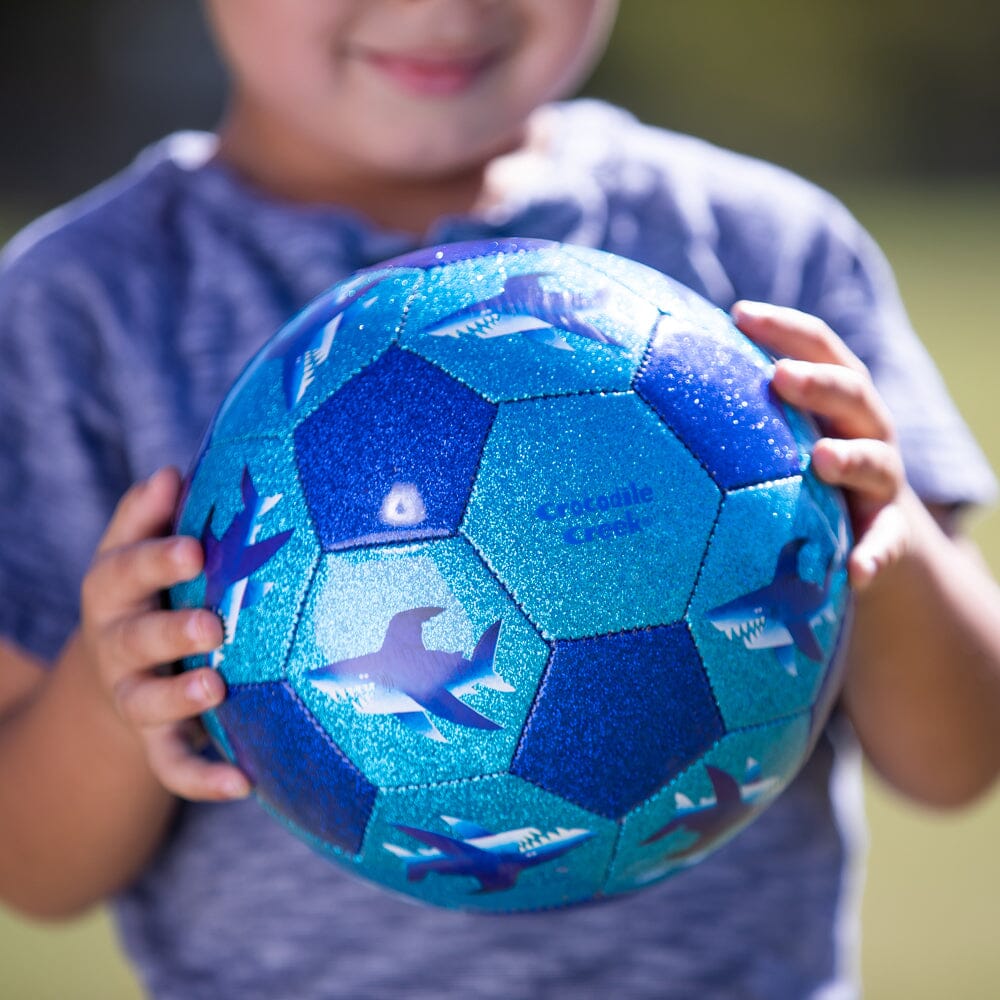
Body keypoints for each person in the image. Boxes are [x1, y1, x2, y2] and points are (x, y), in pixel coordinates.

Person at [1, 1, 999, 996]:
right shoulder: (78, 310)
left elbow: (957, 763)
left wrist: (888, 534)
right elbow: (33, 871)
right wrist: (109, 685)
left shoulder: (761, 253)